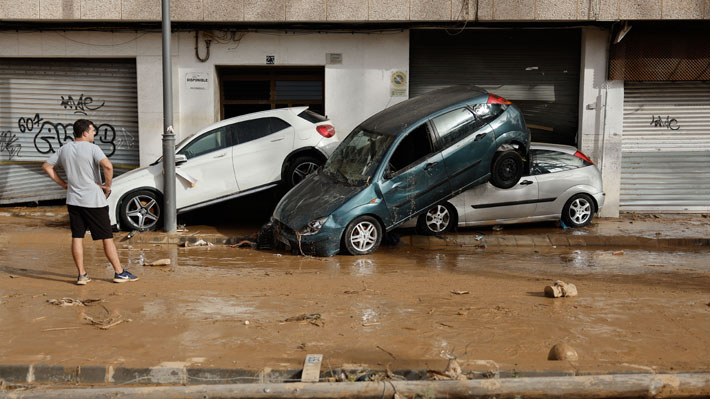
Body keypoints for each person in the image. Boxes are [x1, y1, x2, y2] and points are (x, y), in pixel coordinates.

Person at [42, 119, 138, 285]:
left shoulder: (64, 149)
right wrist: (108, 186)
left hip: (73, 200)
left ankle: (82, 275)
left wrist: (63, 184)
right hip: (94, 201)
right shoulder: (93, 148)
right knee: (107, 238)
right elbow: (108, 166)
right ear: (85, 133)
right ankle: (119, 272)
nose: (94, 133)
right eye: (93, 131)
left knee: (77, 237)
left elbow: (47, 166)